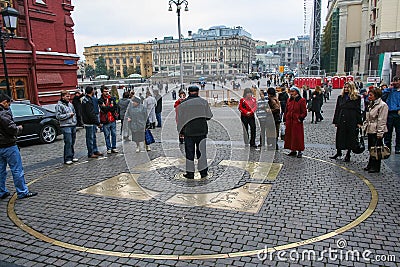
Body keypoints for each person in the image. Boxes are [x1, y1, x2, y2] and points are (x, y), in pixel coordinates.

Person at [0, 94, 37, 200]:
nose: (9, 106)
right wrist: (19, 128)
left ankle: (1, 191)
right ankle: (22, 192)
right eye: (9, 103)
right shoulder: (3, 114)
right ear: (4, 102)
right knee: (17, 169)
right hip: (9, 145)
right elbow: (12, 129)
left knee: (1, 170)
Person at [177, 85, 213, 179]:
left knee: (189, 152)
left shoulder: (184, 103)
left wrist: (180, 131)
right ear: (198, 92)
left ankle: (190, 173)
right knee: (202, 152)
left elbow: (180, 119)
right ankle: (203, 172)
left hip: (188, 131)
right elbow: (209, 116)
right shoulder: (203, 102)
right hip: (201, 131)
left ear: (188, 92)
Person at [330, 81, 362, 162]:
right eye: (345, 87)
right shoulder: (340, 97)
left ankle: (348, 154)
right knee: (340, 136)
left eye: (348, 87)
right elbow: (337, 109)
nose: (346, 89)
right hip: (342, 118)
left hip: (351, 119)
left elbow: (358, 110)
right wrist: (336, 121)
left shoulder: (356, 98)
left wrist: (359, 122)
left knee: (350, 137)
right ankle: (338, 152)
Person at [363, 87, 389, 173]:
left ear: (376, 96)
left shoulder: (382, 105)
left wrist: (380, 133)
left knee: (377, 148)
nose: (369, 96)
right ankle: (371, 164)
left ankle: (376, 166)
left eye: (371, 95)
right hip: (371, 129)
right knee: (371, 147)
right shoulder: (371, 104)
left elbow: (382, 120)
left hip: (377, 130)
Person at [55, 90, 78, 165]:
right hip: (65, 126)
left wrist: (75, 121)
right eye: (67, 96)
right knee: (68, 141)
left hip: (72, 125)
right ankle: (67, 158)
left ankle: (71, 155)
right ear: (62, 97)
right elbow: (58, 116)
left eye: (69, 96)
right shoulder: (59, 105)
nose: (69, 98)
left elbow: (74, 113)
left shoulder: (70, 104)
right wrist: (68, 115)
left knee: (72, 142)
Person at [284, 86, 307, 158]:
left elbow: (304, 112)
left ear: (297, 92)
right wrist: (285, 119)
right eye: (290, 92)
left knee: (298, 137)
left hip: (296, 122)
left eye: (293, 91)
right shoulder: (289, 100)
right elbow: (286, 110)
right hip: (289, 121)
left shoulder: (301, 100)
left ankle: (299, 150)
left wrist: (300, 118)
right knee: (290, 136)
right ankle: (292, 150)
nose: (291, 93)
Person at [81, 86, 103, 158]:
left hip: (89, 121)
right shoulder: (88, 101)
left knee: (93, 137)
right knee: (90, 138)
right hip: (89, 122)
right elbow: (91, 113)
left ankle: (95, 150)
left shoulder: (86, 99)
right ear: (91, 91)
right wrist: (98, 123)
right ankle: (91, 153)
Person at [382, 76, 400, 154]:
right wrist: (389, 88)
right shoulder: (390, 91)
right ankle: (387, 147)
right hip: (390, 113)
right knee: (388, 132)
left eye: (397, 81)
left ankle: (398, 147)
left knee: (399, 132)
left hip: (398, 113)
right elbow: (382, 96)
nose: (395, 83)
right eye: (394, 81)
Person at [99, 86, 118, 154]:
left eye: (107, 91)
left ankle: (114, 147)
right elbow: (104, 109)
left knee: (114, 134)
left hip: (112, 119)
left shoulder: (112, 98)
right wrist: (110, 106)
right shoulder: (100, 100)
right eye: (105, 91)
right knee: (107, 135)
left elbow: (115, 107)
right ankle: (108, 148)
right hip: (105, 120)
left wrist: (108, 107)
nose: (107, 93)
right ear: (102, 92)